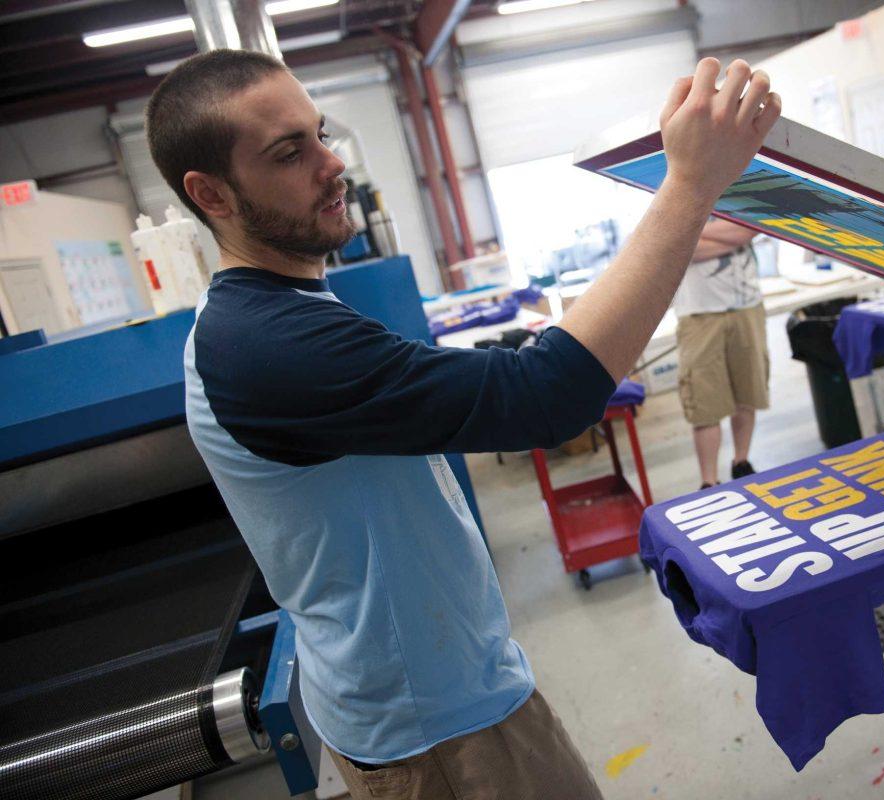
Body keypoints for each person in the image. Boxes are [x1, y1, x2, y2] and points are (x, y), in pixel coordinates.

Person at [146, 48, 779, 799]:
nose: (332, 164)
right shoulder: (264, 344)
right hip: (440, 736)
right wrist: (691, 184)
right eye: (291, 152)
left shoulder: (278, 308)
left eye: (320, 133)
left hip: (427, 698)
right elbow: (548, 397)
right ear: (210, 194)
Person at [674, 217, 768, 489]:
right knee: (704, 401)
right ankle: (709, 481)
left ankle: (741, 461)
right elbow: (680, 245)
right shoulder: (677, 191)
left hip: (747, 307)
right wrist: (725, 235)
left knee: (747, 392)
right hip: (698, 313)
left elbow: (749, 228)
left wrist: (695, 234)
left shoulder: (740, 193)